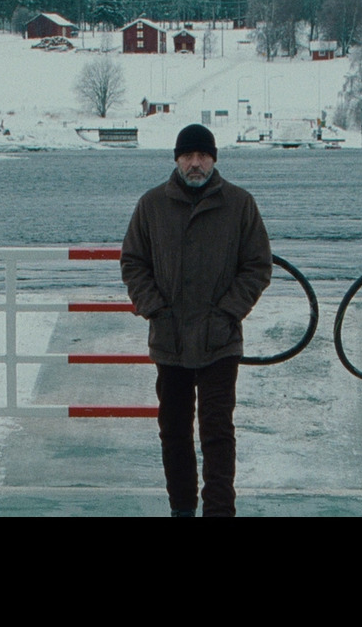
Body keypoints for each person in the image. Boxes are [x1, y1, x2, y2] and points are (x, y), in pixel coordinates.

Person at [121, 123, 271, 517]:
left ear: (214, 159)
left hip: (219, 341)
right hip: (169, 340)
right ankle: (182, 510)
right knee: (174, 433)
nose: (195, 163)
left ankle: (219, 511)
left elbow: (257, 266)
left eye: (202, 155)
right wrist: (154, 308)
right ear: (176, 159)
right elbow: (133, 262)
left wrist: (227, 314)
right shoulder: (151, 205)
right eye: (188, 156)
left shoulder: (240, 204)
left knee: (217, 432)